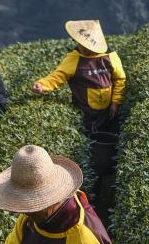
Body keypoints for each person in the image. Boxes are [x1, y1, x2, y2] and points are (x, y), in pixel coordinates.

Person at [31, 20, 126, 217]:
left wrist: (116, 102)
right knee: (91, 146)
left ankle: (105, 178)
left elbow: (120, 79)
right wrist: (42, 85)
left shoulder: (110, 57)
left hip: (108, 111)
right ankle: (91, 182)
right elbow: (57, 77)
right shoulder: (74, 59)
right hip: (86, 112)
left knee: (107, 144)